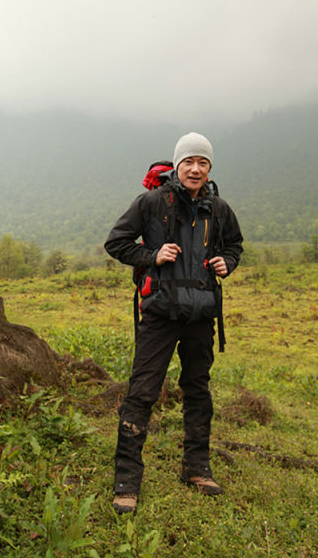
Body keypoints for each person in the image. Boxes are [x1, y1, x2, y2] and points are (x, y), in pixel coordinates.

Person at [104, 132, 243, 514]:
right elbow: (116, 243)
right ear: (177, 165)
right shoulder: (151, 202)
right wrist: (152, 255)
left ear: (209, 167)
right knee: (142, 392)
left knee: (198, 391)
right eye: (189, 162)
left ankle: (196, 468)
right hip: (161, 313)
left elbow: (235, 246)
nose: (195, 169)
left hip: (201, 314)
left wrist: (226, 263)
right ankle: (126, 482)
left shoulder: (219, 209)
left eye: (203, 163)